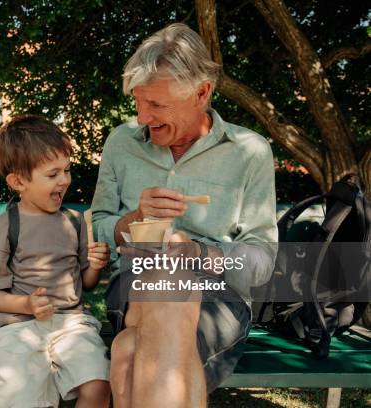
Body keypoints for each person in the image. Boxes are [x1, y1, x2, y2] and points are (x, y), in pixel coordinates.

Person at [91, 23, 278, 407]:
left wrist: (200, 253)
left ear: (202, 92)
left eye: (156, 105)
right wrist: (133, 220)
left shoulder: (250, 152)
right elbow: (99, 226)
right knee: (166, 284)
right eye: (139, 103)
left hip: (218, 298)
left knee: (128, 353)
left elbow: (262, 261)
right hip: (131, 285)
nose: (143, 117)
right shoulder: (120, 143)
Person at [0, 114, 111, 408]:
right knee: (24, 397)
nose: (64, 180)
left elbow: (85, 284)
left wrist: (95, 266)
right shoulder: (3, 227)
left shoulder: (75, 222)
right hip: (17, 327)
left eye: (66, 170)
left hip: (72, 324)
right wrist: (26, 305)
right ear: (17, 181)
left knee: (99, 384)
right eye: (52, 175)